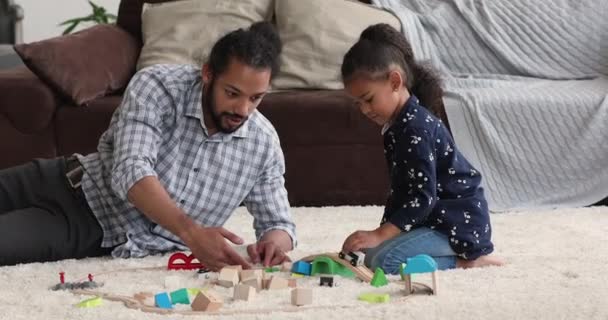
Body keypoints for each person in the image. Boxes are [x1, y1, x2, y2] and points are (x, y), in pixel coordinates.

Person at [0, 22, 296, 270]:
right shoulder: (158, 86)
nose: (243, 109)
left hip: (88, 225)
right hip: (62, 178)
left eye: (256, 98)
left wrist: (273, 245)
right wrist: (192, 233)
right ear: (207, 73)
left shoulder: (263, 143)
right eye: (232, 93)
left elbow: (279, 222)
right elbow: (131, 169)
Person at [340, 24, 503, 272]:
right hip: (431, 220)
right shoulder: (399, 125)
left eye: (368, 99)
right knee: (371, 253)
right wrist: (379, 236)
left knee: (383, 262)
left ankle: (466, 260)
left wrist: (381, 233)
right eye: (358, 103)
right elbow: (403, 192)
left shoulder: (415, 129)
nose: (364, 110)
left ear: (395, 81)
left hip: (455, 225)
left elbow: (421, 198)